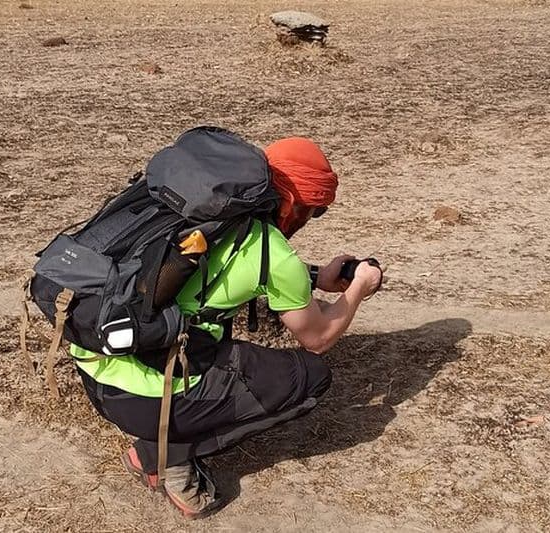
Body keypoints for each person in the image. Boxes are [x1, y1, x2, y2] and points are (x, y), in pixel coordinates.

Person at [69, 136, 383, 518]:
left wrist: (317, 276)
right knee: (309, 377)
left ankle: (160, 444)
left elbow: (230, 268)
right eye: (312, 211)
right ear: (293, 202)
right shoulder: (272, 251)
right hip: (147, 400)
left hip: (97, 370)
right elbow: (317, 338)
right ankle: (167, 460)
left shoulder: (206, 216)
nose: (307, 221)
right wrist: (357, 291)